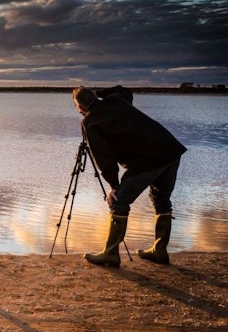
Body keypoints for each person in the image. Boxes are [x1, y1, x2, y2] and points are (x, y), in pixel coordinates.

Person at [72, 85, 186, 266]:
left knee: (119, 202)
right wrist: (99, 94)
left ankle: (110, 254)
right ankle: (160, 250)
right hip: (170, 150)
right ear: (94, 96)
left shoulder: (90, 121)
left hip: (148, 159)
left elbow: (104, 159)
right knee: (161, 198)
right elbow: (123, 90)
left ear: (80, 107)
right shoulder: (116, 100)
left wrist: (114, 186)